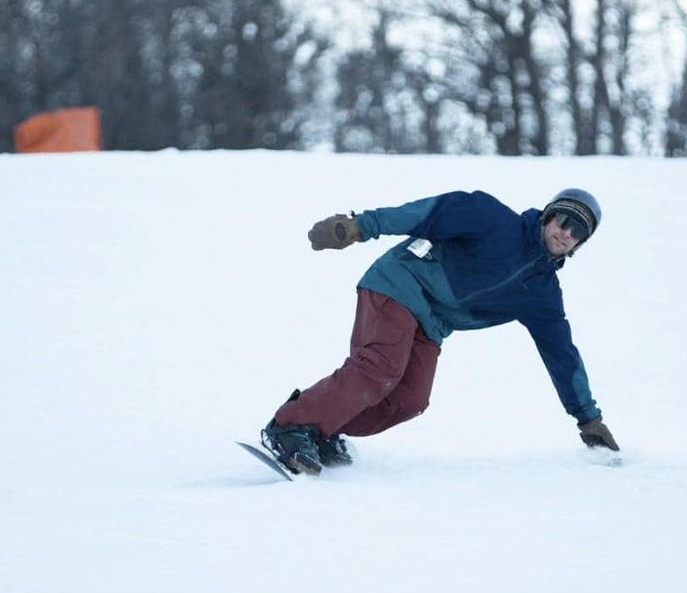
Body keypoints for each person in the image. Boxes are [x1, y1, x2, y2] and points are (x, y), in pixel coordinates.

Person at [260, 188, 620, 475]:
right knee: (380, 369)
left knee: (409, 400)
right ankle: (290, 428)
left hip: (431, 323)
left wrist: (589, 419)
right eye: (564, 220)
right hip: (400, 282)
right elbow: (424, 215)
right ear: (548, 215)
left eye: (578, 232)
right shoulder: (491, 217)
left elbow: (563, 357)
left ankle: (322, 428)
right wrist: (360, 227)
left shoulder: (542, 295)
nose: (566, 232)